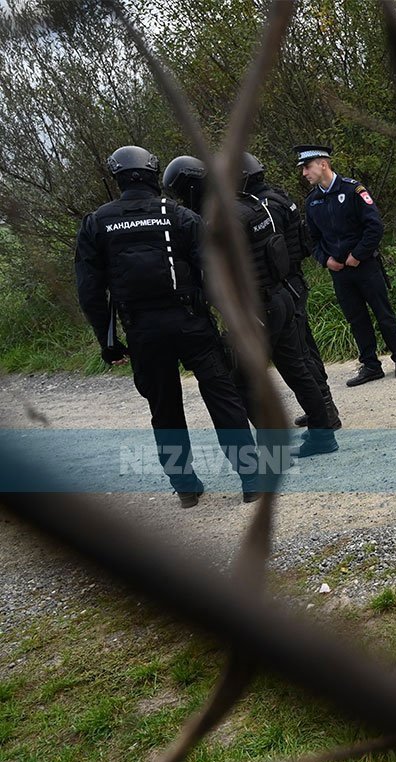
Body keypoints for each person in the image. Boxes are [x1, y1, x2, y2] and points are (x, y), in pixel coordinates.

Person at [75, 145, 259, 507]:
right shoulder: (180, 215)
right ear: (153, 174)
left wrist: (107, 340)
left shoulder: (97, 223)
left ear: (117, 178)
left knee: (164, 409)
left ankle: (186, 487)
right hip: (192, 323)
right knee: (223, 399)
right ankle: (251, 479)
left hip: (142, 331)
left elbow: (90, 291)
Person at [232, 152, 338, 457]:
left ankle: (326, 413)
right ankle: (323, 415)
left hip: (282, 286)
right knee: (299, 358)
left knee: (299, 357)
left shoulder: (257, 207)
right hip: (289, 283)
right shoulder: (278, 198)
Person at [294, 144, 396, 386]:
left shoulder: (353, 189)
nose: (304, 173)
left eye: (307, 167)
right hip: (340, 272)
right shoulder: (312, 201)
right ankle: (371, 366)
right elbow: (313, 240)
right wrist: (325, 260)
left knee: (383, 313)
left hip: (365, 266)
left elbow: (374, 226)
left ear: (323, 164)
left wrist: (357, 254)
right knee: (356, 319)